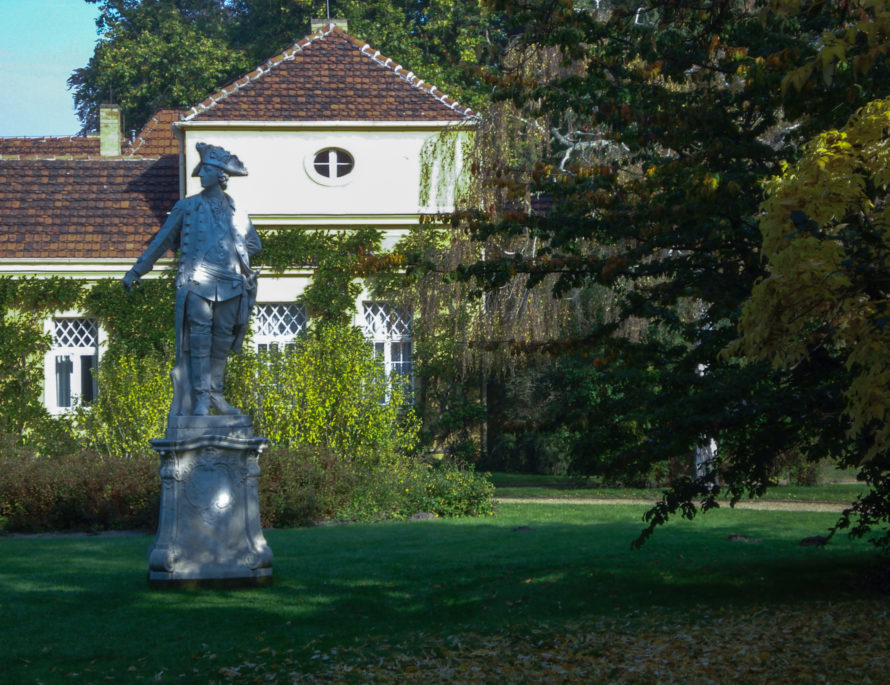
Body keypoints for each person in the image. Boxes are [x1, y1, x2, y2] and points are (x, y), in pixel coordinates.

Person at [122, 142, 261, 417]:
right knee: (198, 342)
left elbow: (254, 244)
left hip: (231, 284)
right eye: (201, 169)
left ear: (220, 176)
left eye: (206, 170)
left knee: (222, 341)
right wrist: (137, 271)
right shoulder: (187, 207)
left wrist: (238, 250)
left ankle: (217, 396)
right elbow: (161, 242)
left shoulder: (237, 211)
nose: (200, 174)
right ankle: (200, 399)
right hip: (198, 282)